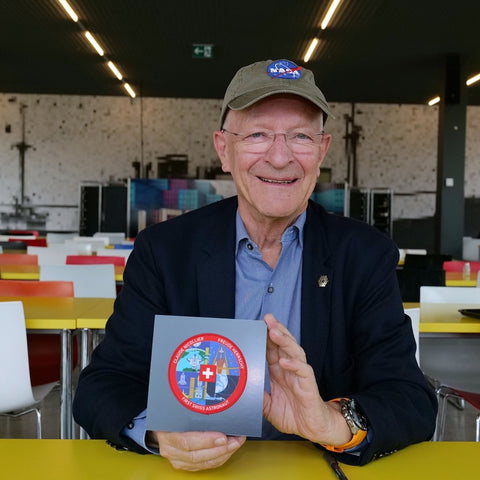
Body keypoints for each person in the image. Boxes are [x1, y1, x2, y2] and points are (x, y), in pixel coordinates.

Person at [73, 59, 437, 471]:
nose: (280, 158)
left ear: (321, 151)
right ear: (223, 149)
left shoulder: (365, 255)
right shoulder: (165, 251)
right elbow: (102, 386)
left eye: (300, 136)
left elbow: (410, 398)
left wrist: (332, 422)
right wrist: (158, 434)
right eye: (258, 134)